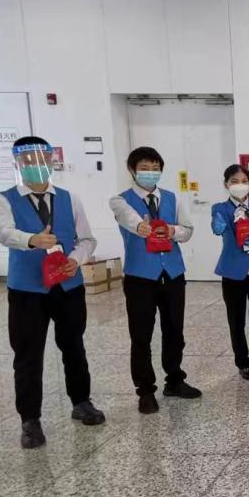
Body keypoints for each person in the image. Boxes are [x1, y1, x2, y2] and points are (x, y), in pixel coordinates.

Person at [0, 136, 104, 449]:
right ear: (18, 163)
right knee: (27, 354)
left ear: (52, 160)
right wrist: (31, 240)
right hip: (28, 290)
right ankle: (30, 420)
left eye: (41, 159)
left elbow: (87, 240)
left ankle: (81, 402)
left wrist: (75, 260)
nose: (35, 165)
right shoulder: (3, 200)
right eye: (28, 160)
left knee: (73, 345)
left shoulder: (69, 198)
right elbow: (3, 232)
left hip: (68, 286)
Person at [109, 146, 202, 413]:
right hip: (140, 277)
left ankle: (174, 380)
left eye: (155, 168)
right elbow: (130, 220)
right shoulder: (121, 200)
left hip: (172, 273)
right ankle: (145, 390)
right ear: (132, 170)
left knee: (174, 330)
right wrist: (142, 226)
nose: (150, 173)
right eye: (144, 168)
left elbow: (188, 230)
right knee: (141, 334)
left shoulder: (172, 198)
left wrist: (173, 231)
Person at [211, 164, 249, 380]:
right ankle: (243, 362)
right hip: (233, 271)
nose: (240, 185)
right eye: (234, 181)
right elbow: (216, 228)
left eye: (244, 181)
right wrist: (218, 226)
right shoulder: (220, 208)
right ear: (226, 184)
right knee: (236, 320)